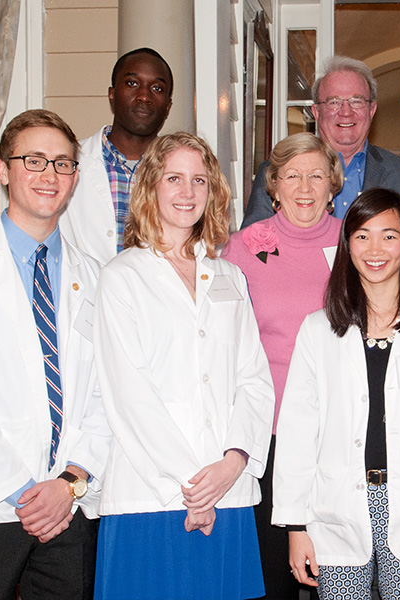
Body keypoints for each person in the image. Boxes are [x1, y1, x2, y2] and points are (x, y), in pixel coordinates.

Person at [93, 132, 274, 600]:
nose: (187, 192)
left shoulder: (230, 275)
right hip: (152, 497)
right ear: (150, 186)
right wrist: (192, 486)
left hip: (229, 491)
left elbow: (253, 379)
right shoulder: (121, 278)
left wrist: (233, 462)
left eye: (199, 180)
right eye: (174, 178)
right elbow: (128, 395)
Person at [272, 189, 400, 600]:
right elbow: (297, 432)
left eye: (388, 235)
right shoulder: (318, 330)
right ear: (347, 246)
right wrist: (296, 527)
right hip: (336, 512)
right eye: (362, 236)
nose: (375, 249)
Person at [0, 109, 111, 599]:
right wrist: (22, 491)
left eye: (62, 163)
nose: (49, 175)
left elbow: (107, 391)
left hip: (68, 510)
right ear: (1, 169)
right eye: (33, 160)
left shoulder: (96, 276)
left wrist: (70, 481)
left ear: (75, 177)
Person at [222, 131, 344, 599]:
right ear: (273, 186)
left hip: (339, 429)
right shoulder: (244, 248)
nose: (305, 187)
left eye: (316, 175)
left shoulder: (360, 241)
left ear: (334, 185)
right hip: (269, 431)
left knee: (338, 566)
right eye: (292, 176)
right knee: (274, 568)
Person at [242, 55, 400, 269]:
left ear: (371, 110)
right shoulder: (276, 172)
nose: (346, 112)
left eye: (356, 101)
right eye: (334, 102)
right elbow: (252, 253)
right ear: (316, 111)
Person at [61, 47, 173, 264]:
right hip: (84, 294)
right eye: (132, 83)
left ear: (168, 106)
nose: (144, 96)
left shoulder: (184, 171)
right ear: (112, 94)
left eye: (157, 88)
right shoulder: (68, 162)